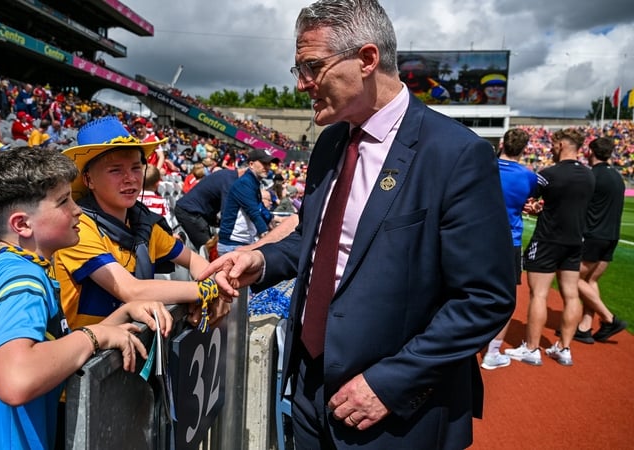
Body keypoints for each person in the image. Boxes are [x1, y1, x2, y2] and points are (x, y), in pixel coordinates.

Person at [200, 1, 515, 447]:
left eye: (312, 67)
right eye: (299, 70)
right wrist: (257, 259)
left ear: (367, 59)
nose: (302, 85)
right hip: (308, 389)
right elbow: (314, 243)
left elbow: (486, 297)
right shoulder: (329, 143)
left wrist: (390, 383)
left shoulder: (455, 154)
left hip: (392, 410)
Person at [0, 146, 173, 449]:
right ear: (22, 224)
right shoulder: (22, 280)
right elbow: (17, 379)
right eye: (64, 201)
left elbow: (48, 348)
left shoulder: (6, 265)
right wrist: (93, 336)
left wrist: (120, 317)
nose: (77, 209)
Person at [53, 116, 230, 331]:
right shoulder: (78, 228)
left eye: (136, 168)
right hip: (87, 356)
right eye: (115, 170)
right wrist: (209, 291)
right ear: (89, 180)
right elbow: (131, 290)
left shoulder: (145, 225)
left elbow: (193, 259)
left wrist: (211, 286)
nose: (130, 178)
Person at [505, 128, 595, 367]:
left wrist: (533, 207)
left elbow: (530, 198)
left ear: (563, 145)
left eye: (555, 145)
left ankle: (532, 348)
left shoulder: (548, 174)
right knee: (571, 294)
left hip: (547, 240)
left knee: (539, 294)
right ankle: (564, 348)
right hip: (575, 241)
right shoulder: (589, 176)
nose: (552, 149)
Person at [480, 128, 538, 370]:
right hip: (509, 240)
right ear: (524, 149)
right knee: (505, 298)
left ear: (502, 143)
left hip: (477, 237)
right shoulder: (528, 176)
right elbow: (528, 199)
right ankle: (492, 352)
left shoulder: (484, 167)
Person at [575, 137, 628, 342]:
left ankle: (608, 318)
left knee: (571, 277)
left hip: (593, 235)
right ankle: (585, 327)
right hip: (611, 236)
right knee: (591, 280)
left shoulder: (591, 176)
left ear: (590, 152)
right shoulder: (617, 177)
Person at [216, 148, 277, 255]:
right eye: (264, 163)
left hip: (242, 242)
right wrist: (268, 238)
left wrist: (277, 220)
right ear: (251, 164)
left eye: (269, 164)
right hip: (232, 244)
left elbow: (260, 208)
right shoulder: (245, 183)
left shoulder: (252, 182)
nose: (267, 167)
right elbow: (254, 213)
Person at [173, 167, 244, 251]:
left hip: (198, 211)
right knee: (209, 250)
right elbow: (227, 212)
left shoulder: (227, 174)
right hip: (190, 212)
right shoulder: (230, 182)